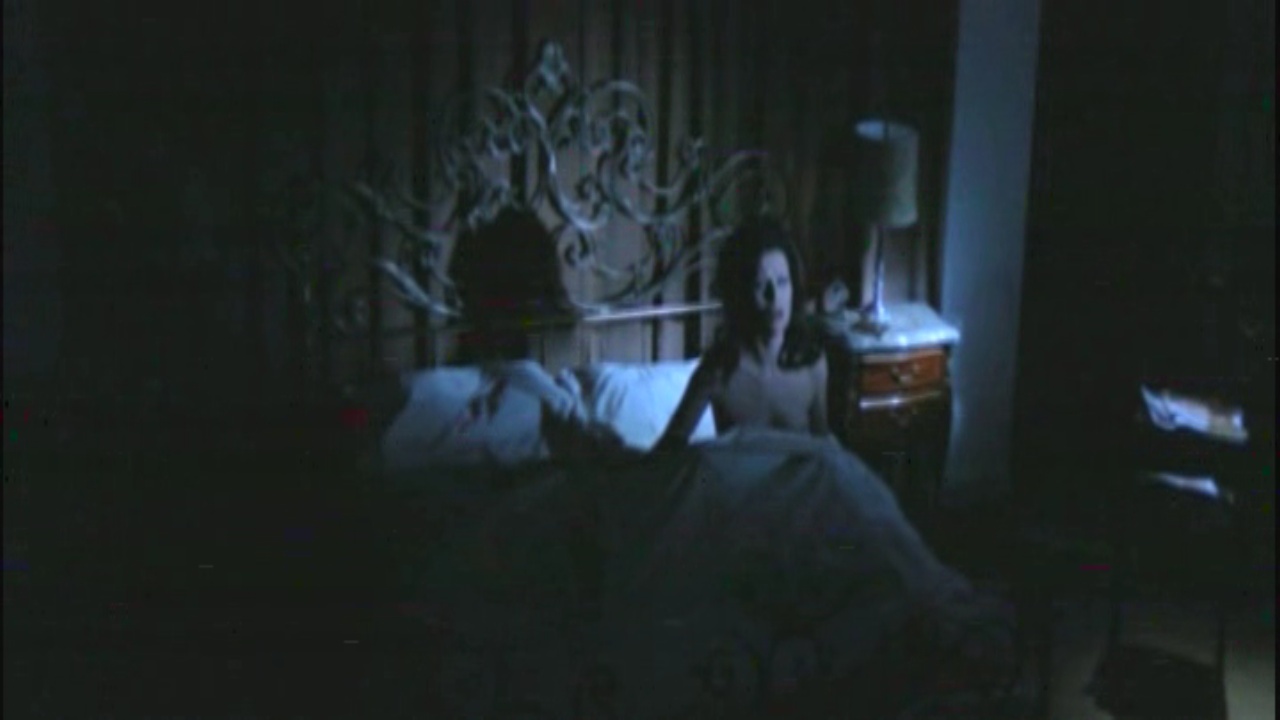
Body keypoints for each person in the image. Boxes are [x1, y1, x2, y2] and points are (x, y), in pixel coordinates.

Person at [654, 217, 831, 451]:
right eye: (760, 285)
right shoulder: (719, 371)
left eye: (782, 282)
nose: (774, 297)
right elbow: (669, 448)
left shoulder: (811, 364)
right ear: (741, 293)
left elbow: (823, 448)